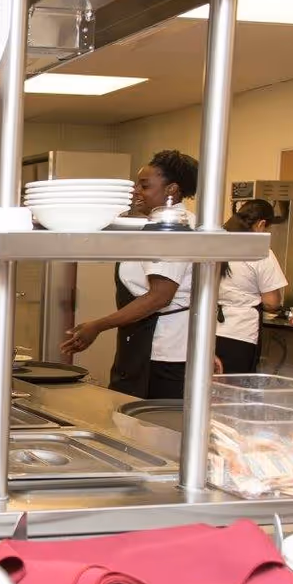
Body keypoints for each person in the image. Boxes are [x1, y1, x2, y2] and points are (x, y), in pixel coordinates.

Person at [60, 150, 199, 399]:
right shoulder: (157, 223)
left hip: (162, 350)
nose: (135, 191)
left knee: (149, 424)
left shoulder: (173, 227)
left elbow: (160, 296)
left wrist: (98, 326)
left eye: (144, 185)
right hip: (144, 340)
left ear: (172, 189)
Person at [216, 199, 287, 373]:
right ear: (261, 224)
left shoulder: (218, 245)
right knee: (233, 390)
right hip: (239, 333)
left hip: (209, 329)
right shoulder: (260, 252)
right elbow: (272, 302)